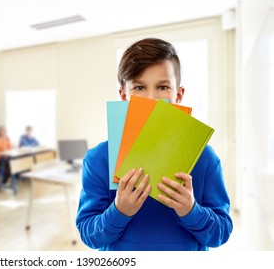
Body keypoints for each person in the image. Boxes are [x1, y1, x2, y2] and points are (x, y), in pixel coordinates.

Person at [76, 38, 232, 251]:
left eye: (163, 87)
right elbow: (89, 234)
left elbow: (221, 233)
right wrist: (119, 211)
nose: (152, 99)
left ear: (179, 95)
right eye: (139, 87)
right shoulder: (98, 159)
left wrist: (191, 210)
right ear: (124, 96)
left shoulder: (204, 157)